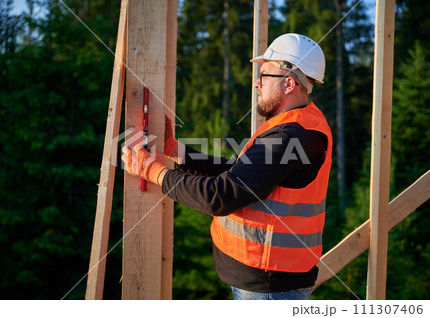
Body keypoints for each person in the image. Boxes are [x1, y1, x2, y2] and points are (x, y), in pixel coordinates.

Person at [121, 33, 332, 300]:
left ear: (289, 83)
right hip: (269, 281)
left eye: (264, 75)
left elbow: (220, 195)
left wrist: (153, 171)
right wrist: (175, 150)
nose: (257, 83)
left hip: (269, 287)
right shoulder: (297, 126)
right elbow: (239, 172)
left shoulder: (290, 136)